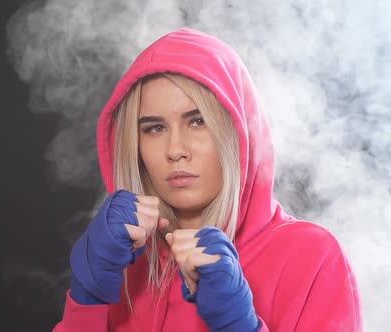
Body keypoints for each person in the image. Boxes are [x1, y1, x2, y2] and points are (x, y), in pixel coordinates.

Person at [52, 28, 362, 332]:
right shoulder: (122, 263)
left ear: (239, 132)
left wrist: (240, 327)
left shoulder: (310, 256)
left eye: (198, 121)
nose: (175, 150)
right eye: (155, 128)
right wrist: (86, 304)